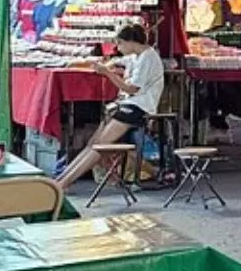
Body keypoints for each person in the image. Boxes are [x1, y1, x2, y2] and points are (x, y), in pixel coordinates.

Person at [55, 23, 164, 189]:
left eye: (120, 43)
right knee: (93, 142)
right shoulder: (136, 56)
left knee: (100, 146)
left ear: (131, 42)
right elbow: (117, 61)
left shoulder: (148, 58)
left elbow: (131, 88)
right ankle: (62, 178)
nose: (118, 48)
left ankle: (63, 183)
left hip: (138, 107)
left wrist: (107, 73)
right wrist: (101, 65)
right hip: (127, 104)